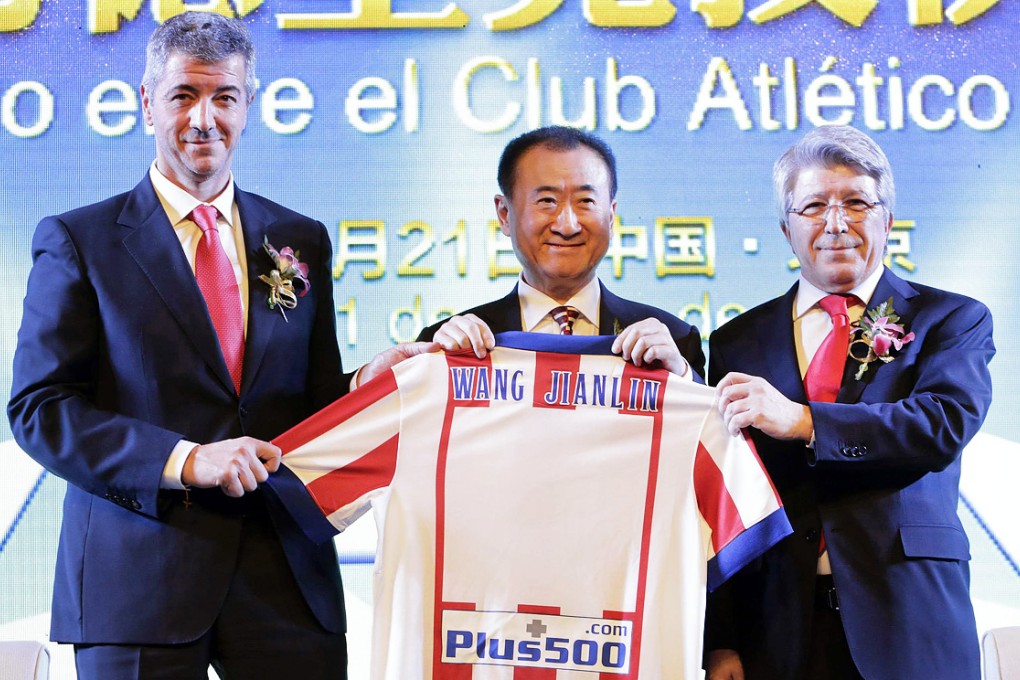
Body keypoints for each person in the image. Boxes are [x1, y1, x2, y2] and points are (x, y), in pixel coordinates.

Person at [6, 12, 420, 679]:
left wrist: (366, 383)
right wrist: (186, 460)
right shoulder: (79, 241)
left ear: (248, 105)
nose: (204, 119)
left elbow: (306, 399)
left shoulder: (297, 238)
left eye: (224, 97)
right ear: (147, 104)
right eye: (183, 96)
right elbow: (41, 408)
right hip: (136, 587)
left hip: (285, 582)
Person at [704, 125, 994, 680]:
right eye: (813, 206)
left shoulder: (951, 319)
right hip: (778, 630)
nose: (836, 223)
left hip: (909, 619)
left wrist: (804, 421)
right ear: (786, 229)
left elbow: (941, 423)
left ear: (887, 219)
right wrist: (720, 640)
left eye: (856, 202)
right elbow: (724, 494)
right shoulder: (738, 340)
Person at [417, 125, 706, 380]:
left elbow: (709, 434)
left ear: (611, 216)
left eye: (585, 201)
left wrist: (682, 377)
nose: (567, 225)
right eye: (547, 201)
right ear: (505, 214)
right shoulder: (448, 344)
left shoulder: (674, 340)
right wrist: (435, 371)